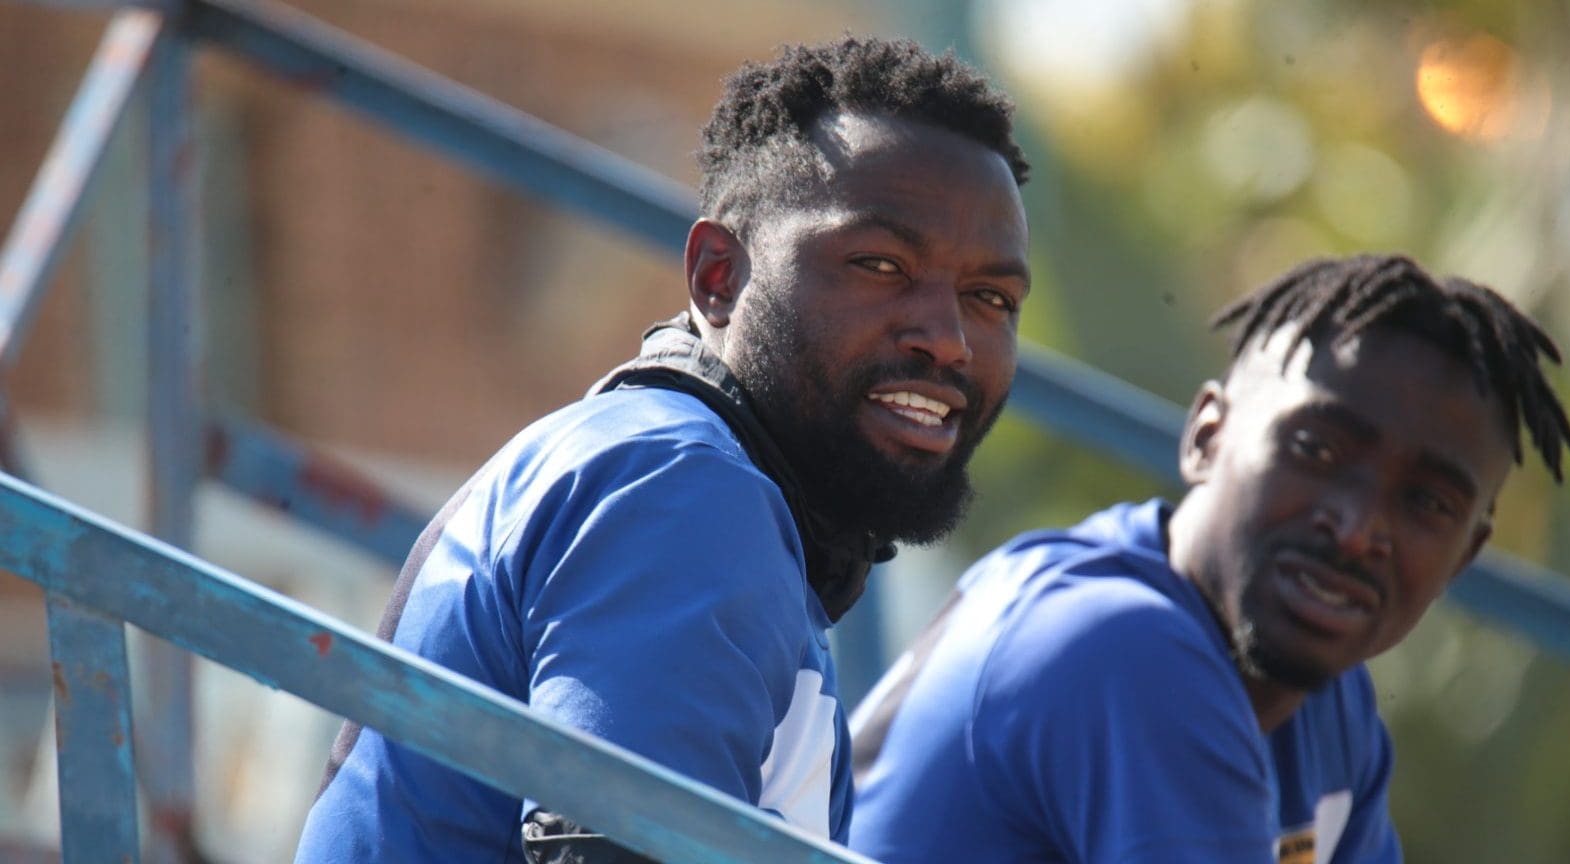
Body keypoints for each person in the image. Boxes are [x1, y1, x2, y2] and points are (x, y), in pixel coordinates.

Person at [296, 36, 1030, 862]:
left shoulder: (684, 479)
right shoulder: (682, 491)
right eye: (881, 263)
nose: (950, 340)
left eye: (990, 296)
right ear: (719, 276)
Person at [849, 255, 1570, 863]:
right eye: (1315, 450)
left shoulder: (1330, 704)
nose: (1357, 530)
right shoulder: (1122, 647)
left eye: (1427, 503)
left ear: (1465, 555)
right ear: (1206, 437)